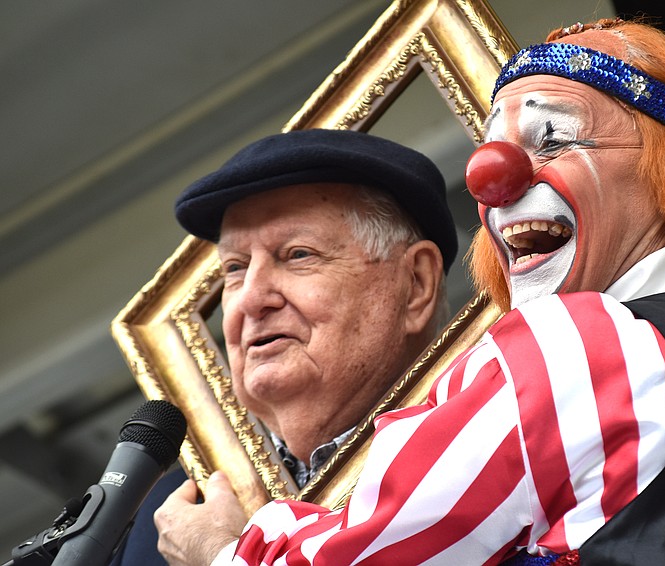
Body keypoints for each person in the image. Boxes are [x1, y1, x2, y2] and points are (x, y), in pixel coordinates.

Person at [187, 18, 665, 565]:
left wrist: (219, 549)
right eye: (490, 148)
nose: (489, 179)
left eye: (552, 138)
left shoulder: (578, 345)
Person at [110, 128, 459, 565]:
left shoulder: (486, 452)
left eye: (298, 254)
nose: (250, 299)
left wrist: (220, 556)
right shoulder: (167, 517)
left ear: (415, 284)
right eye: (234, 269)